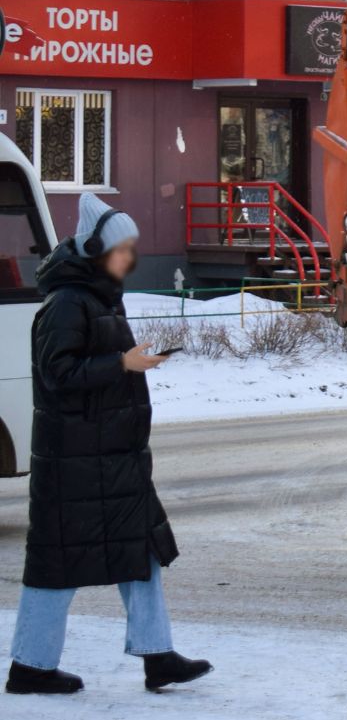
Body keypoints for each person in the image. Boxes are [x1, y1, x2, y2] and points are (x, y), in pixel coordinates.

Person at [6, 194, 211, 695]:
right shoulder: (66, 303)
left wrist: (131, 360)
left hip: (110, 457)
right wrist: (122, 365)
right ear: (96, 249)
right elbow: (58, 375)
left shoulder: (95, 297)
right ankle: (30, 667)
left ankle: (158, 655)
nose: (130, 258)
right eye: (123, 249)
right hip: (76, 461)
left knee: (139, 550)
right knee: (56, 562)